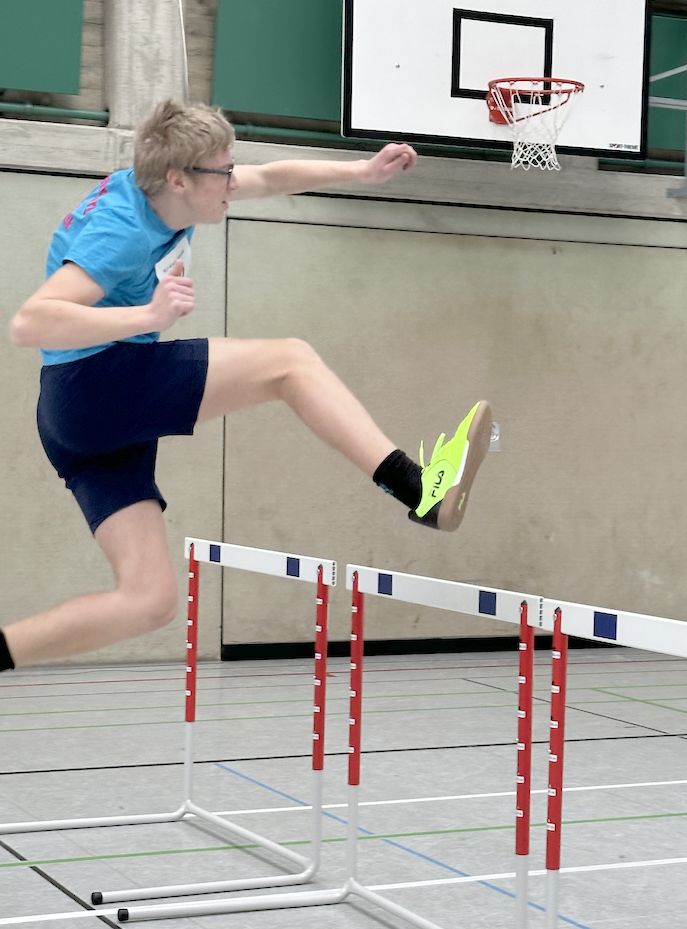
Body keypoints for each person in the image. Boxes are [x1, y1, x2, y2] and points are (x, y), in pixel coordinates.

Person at [0, 100, 493, 673]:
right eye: (224, 172)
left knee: (148, 600)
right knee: (291, 363)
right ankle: (418, 489)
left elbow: (272, 177)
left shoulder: (164, 192)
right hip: (95, 384)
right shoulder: (124, 231)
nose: (235, 182)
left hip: (74, 419)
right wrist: (148, 316)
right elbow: (30, 322)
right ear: (179, 178)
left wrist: (362, 171)